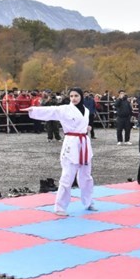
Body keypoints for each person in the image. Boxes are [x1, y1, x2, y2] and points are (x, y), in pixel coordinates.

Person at [23, 87, 95, 216]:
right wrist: (34, 110)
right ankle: (60, 207)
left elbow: (86, 123)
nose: (74, 98)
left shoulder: (87, 110)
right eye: (71, 96)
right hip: (71, 143)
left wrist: (88, 127)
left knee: (86, 177)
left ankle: (88, 202)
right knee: (67, 176)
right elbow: (52, 110)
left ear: (81, 96)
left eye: (76, 96)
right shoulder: (65, 109)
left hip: (84, 143)